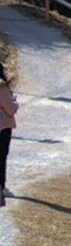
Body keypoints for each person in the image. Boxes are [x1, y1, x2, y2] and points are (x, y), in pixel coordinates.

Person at [0, 61, 17, 208]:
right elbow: (10, 109)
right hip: (2, 127)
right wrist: (15, 102)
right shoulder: (2, 88)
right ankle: (2, 187)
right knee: (1, 157)